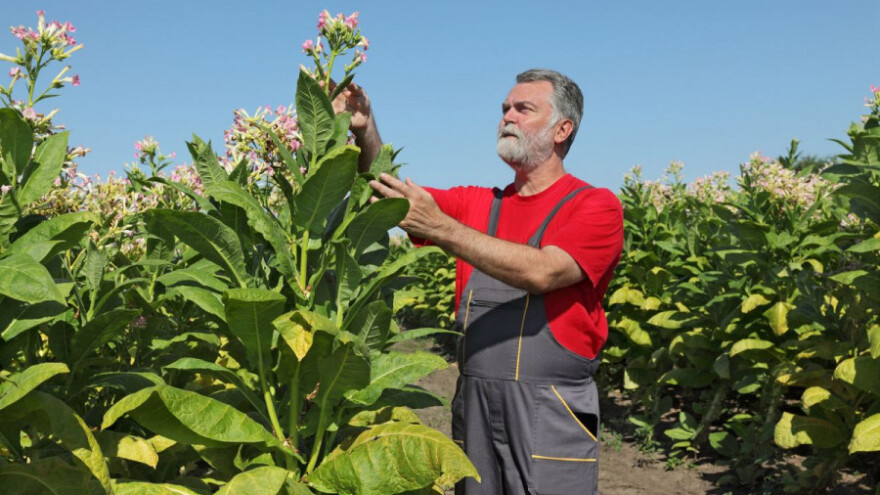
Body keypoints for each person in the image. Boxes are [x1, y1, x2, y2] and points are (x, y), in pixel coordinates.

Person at [334, 69, 624, 495]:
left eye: (524, 109)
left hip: (549, 407)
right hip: (474, 404)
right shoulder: (478, 203)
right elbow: (391, 196)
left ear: (563, 129)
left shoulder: (594, 205)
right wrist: (365, 129)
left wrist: (444, 229)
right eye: (504, 108)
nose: (507, 116)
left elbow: (543, 271)